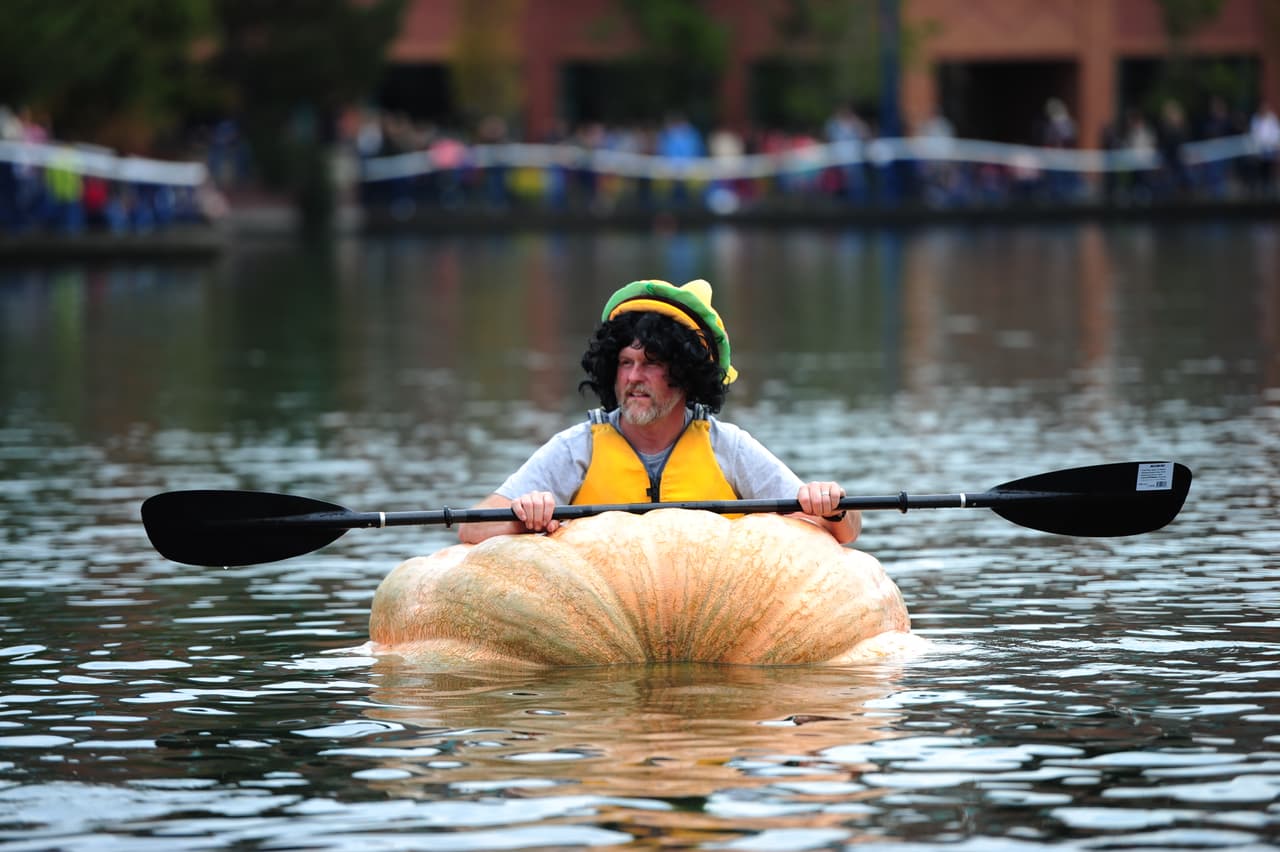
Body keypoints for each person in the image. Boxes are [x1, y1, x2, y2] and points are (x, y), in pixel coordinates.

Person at [458, 279, 860, 545]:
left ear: (684, 374)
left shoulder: (729, 447)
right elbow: (471, 528)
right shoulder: (576, 448)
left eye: (651, 364)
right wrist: (522, 517)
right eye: (625, 363)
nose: (634, 377)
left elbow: (845, 532)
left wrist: (833, 506)